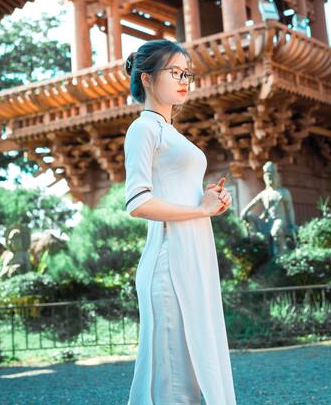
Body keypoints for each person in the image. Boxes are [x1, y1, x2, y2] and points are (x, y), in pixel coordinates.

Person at [124, 39, 237, 405]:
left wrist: (208, 200)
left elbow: (177, 194)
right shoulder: (144, 129)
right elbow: (138, 202)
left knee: (194, 368)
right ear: (147, 78)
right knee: (176, 385)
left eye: (187, 72)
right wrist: (199, 209)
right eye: (175, 72)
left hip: (193, 258)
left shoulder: (170, 132)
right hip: (169, 263)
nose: (184, 79)